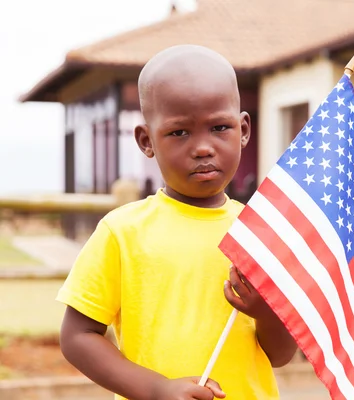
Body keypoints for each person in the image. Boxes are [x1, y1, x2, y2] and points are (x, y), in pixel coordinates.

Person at [56, 44, 298, 400]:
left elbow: (280, 355)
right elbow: (77, 337)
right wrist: (155, 389)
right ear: (146, 140)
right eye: (180, 132)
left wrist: (266, 313)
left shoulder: (261, 234)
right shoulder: (122, 232)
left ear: (243, 129)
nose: (203, 147)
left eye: (219, 127)